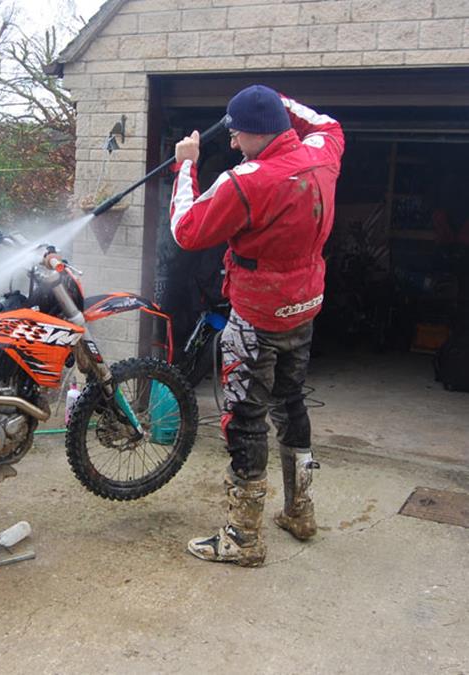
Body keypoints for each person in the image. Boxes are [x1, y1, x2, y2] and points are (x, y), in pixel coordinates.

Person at [169, 84, 345, 566]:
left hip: (257, 313)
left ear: (257, 134)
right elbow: (324, 119)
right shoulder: (322, 151)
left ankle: (243, 537)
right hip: (305, 303)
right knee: (290, 401)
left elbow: (185, 230)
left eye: (238, 133)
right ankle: (300, 510)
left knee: (244, 416)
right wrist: (274, 100)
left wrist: (185, 163)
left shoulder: (246, 181)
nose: (231, 143)